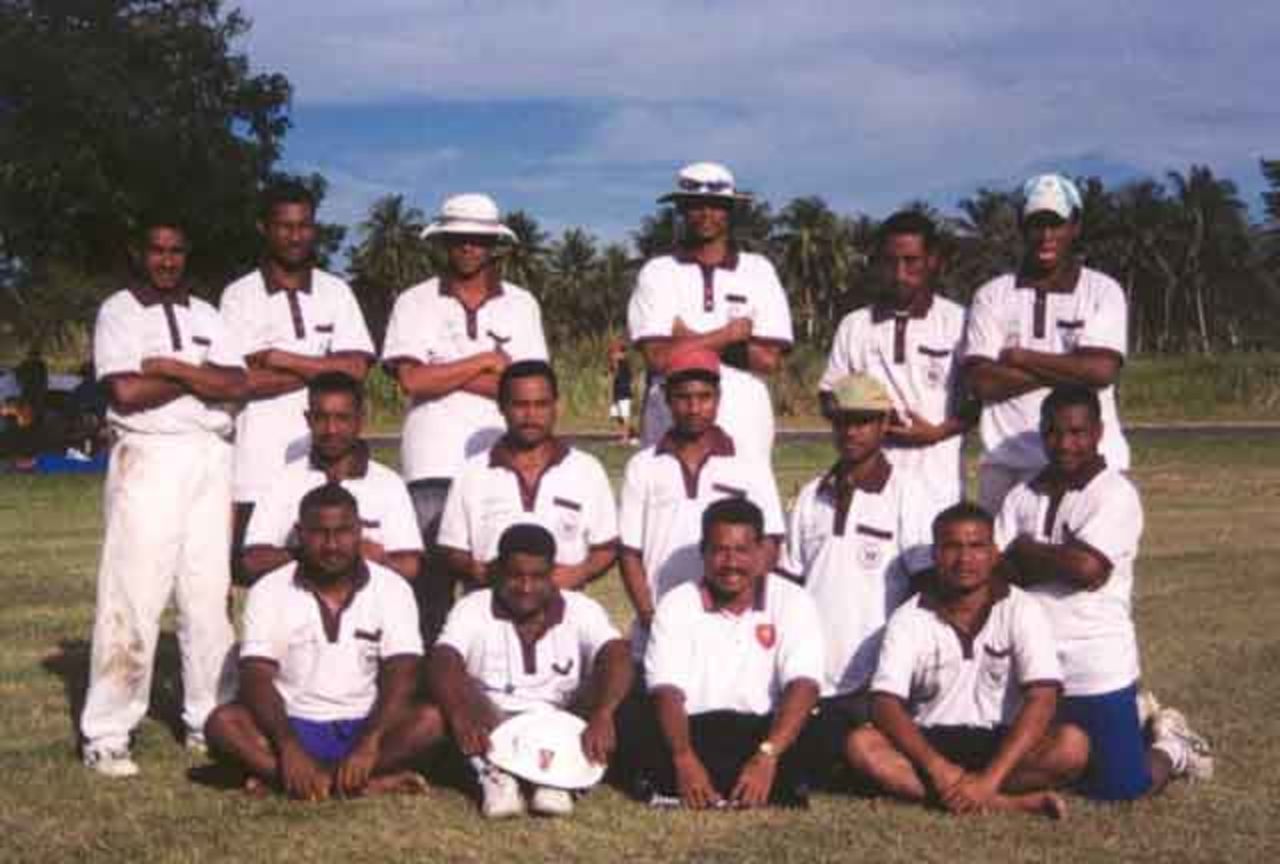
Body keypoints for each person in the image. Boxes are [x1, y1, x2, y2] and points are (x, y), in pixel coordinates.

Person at [80, 219, 246, 777]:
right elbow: (125, 390)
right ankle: (107, 731)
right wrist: (202, 378)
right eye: (157, 250)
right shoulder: (120, 311)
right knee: (134, 593)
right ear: (139, 253)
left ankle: (210, 720)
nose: (167, 261)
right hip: (148, 455)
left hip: (211, 455)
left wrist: (172, 369)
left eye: (177, 251)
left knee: (207, 596)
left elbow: (236, 385)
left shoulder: (207, 314)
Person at [995, 385, 1213, 801]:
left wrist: (1025, 551)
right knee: (1041, 762)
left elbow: (1088, 569)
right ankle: (1135, 720)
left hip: (1095, 663)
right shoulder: (1022, 495)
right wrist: (1058, 559)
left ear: (1098, 432)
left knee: (1119, 789)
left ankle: (1173, 746)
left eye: (1077, 432)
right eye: (1054, 432)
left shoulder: (1114, 493)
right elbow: (998, 574)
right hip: (1030, 666)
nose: (1064, 444)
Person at [847, 502, 1089, 819]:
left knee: (1072, 746)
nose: (965, 559)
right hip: (932, 740)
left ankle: (980, 793)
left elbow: (1042, 698)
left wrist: (989, 780)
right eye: (952, 547)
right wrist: (937, 768)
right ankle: (1007, 804)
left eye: (977, 546)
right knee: (860, 745)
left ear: (994, 554)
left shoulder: (1021, 608)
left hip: (1001, 739)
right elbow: (885, 704)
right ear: (935, 555)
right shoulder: (909, 616)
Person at [382, 193, 549, 645]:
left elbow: (527, 389)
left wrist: (447, 370)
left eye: (479, 239)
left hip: (497, 463)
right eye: (459, 239)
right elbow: (413, 380)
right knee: (428, 592)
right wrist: (485, 361)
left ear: (494, 244)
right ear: (444, 242)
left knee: (493, 589)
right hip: (429, 464)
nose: (469, 248)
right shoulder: (414, 302)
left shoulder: (521, 304)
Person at [205, 484, 440, 799]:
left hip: (365, 723)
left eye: (342, 531)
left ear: (360, 531)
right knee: (223, 723)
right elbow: (255, 677)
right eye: (319, 533)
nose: (331, 545)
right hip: (293, 723)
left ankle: (302, 782)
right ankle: (354, 782)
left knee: (431, 721)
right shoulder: (270, 589)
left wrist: (371, 740)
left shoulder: (392, 588)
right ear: (300, 533)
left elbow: (404, 671)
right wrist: (288, 747)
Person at [779, 373, 934, 776]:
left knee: (854, 757)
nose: (852, 431)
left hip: (874, 677)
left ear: (884, 425)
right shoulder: (813, 494)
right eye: (843, 420)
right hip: (812, 672)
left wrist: (898, 670)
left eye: (864, 421)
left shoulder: (908, 492)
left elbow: (924, 592)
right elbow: (789, 583)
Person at [221, 181, 375, 578]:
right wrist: (324, 366)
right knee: (254, 571)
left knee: (332, 568)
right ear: (264, 228)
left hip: (324, 462)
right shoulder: (239, 296)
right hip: (257, 463)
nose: (295, 236)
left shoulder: (335, 291)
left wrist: (278, 357)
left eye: (304, 225)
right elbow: (240, 383)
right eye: (284, 226)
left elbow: (356, 370)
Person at [427, 524, 633, 818]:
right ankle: (497, 776)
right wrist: (459, 713)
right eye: (515, 576)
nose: (526, 587)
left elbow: (617, 654)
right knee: (462, 683)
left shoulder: (580, 608)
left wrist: (604, 712)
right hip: (494, 722)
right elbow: (443, 659)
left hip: (561, 721)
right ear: (498, 570)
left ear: (553, 573)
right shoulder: (473, 607)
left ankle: (558, 779)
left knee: (608, 674)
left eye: (537, 577)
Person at [635, 498, 823, 809]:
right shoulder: (677, 603)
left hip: (763, 732)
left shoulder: (793, 600)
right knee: (636, 722)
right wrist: (683, 758)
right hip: (694, 729)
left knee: (818, 730)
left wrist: (767, 755)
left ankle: (740, 781)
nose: (731, 563)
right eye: (720, 550)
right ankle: (724, 783)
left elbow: (804, 684)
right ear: (703, 552)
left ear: (761, 551)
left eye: (742, 551)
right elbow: (666, 690)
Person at [963, 173, 1131, 515]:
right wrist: (1071, 366)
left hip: (1089, 464)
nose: (1046, 235)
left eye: (1056, 223)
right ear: (1022, 227)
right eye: (1036, 223)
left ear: (1075, 226)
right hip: (1006, 464)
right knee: (1005, 567)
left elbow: (1101, 372)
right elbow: (982, 382)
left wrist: (1020, 356)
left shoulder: (1103, 291)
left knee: (1084, 565)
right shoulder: (992, 295)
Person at [618, 346, 784, 657]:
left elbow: (770, 543)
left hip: (730, 626)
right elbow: (629, 553)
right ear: (667, 399)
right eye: (683, 397)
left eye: (704, 397)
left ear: (718, 399)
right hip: (660, 621)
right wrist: (648, 616)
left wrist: (738, 610)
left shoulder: (749, 462)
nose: (694, 407)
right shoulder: (643, 466)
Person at [628, 161, 793, 464]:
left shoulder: (758, 270)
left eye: (716, 206)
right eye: (695, 205)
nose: (706, 214)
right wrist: (729, 334)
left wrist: (685, 339)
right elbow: (658, 358)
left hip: (744, 419)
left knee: (743, 507)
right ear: (680, 209)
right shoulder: (658, 271)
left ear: (730, 211)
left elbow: (768, 360)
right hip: (670, 416)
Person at [820, 210, 974, 522]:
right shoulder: (855, 325)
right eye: (890, 262)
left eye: (911, 261)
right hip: (869, 481)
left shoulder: (959, 321)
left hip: (937, 485)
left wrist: (937, 432)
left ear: (933, 260)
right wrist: (869, 421)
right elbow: (827, 395)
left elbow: (979, 401)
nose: (900, 273)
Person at [437, 360, 617, 592]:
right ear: (502, 407)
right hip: (490, 608)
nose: (531, 415)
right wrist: (478, 570)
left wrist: (579, 572)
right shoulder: (472, 472)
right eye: (520, 405)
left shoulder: (586, 470)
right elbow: (451, 549)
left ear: (556, 406)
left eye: (541, 404)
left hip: (563, 611)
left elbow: (607, 547)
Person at [240, 371, 422, 584]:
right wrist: (315, 551)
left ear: (360, 419)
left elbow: (410, 566)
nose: (331, 429)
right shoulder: (284, 481)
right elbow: (254, 561)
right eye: (321, 418)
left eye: (342, 418)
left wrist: (379, 559)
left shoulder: (388, 484)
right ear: (308, 419)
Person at [608, 340, 635, 444]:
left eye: (616, 353)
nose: (613, 355)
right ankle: (625, 434)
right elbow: (612, 374)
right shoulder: (616, 363)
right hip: (617, 392)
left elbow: (620, 374)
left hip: (624, 392)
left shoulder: (624, 363)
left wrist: (614, 362)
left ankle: (626, 437)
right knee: (618, 416)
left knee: (624, 415)